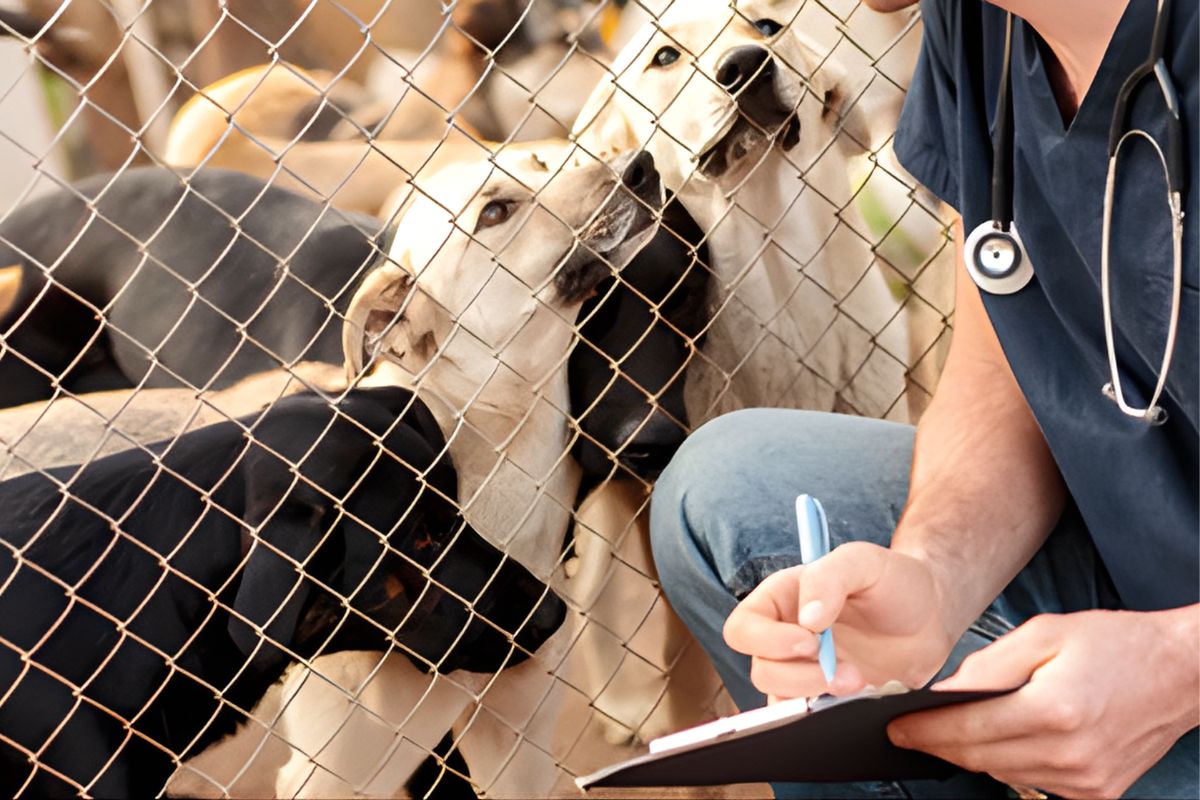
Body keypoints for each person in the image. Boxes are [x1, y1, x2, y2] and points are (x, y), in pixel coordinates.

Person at [649, 0, 1198, 797]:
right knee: (730, 488)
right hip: (1138, 567)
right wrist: (932, 579)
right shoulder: (980, 28)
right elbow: (1003, 375)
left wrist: (1177, 666)